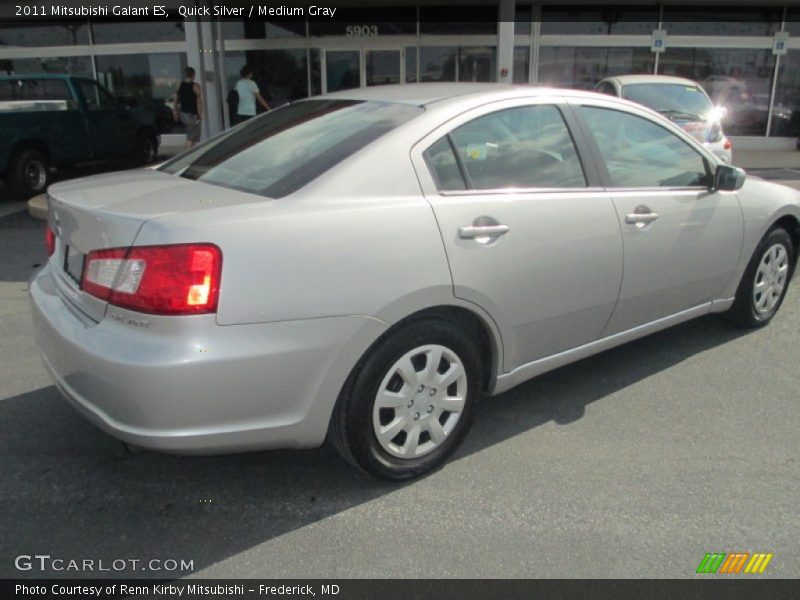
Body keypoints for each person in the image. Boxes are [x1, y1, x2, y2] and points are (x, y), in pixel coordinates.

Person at [173, 67, 202, 149]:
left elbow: (176, 98)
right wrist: (200, 115)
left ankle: (190, 152)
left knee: (192, 136)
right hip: (192, 114)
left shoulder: (180, 85)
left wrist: (175, 111)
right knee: (191, 137)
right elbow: (199, 102)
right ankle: (187, 155)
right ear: (193, 75)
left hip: (183, 113)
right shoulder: (196, 86)